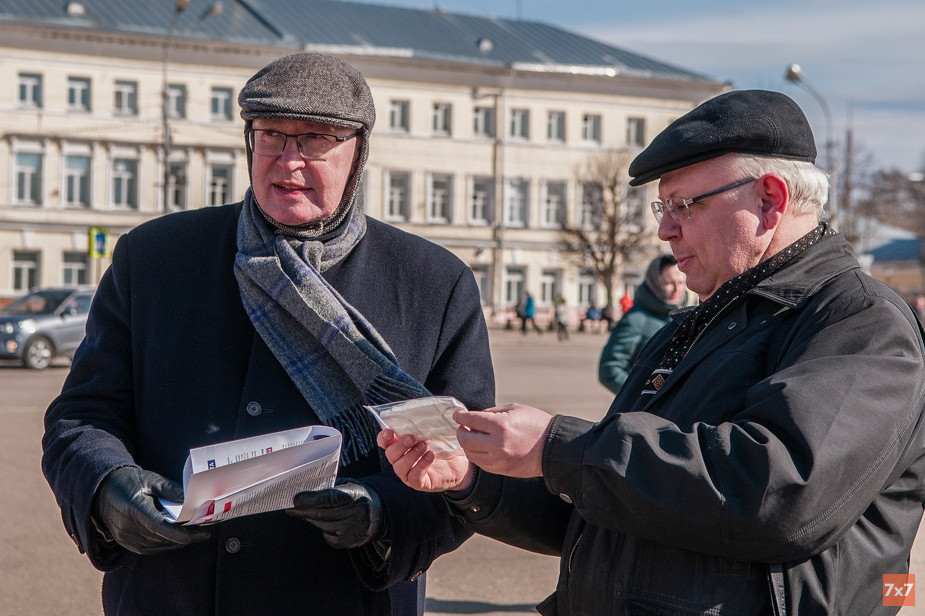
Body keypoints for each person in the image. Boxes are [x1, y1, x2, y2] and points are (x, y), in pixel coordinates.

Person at [381, 89, 925, 614]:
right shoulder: (699, 323)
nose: (664, 229)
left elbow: (778, 494)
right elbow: (606, 505)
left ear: (771, 199)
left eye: (685, 204)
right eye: (663, 206)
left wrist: (557, 447)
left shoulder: (857, 322)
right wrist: (476, 477)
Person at [41, 52, 495, 616]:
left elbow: (469, 464)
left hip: (343, 599)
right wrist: (106, 490)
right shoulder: (154, 258)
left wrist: (382, 515)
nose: (288, 161)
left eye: (314, 141)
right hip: (168, 594)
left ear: (358, 152)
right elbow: (82, 415)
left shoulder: (433, 282)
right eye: (271, 136)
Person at [598, 254, 687, 394]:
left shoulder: (686, 317)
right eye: (669, 283)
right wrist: (641, 397)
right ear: (654, 282)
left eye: (681, 282)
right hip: (642, 412)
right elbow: (609, 370)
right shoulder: (635, 319)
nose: (677, 289)